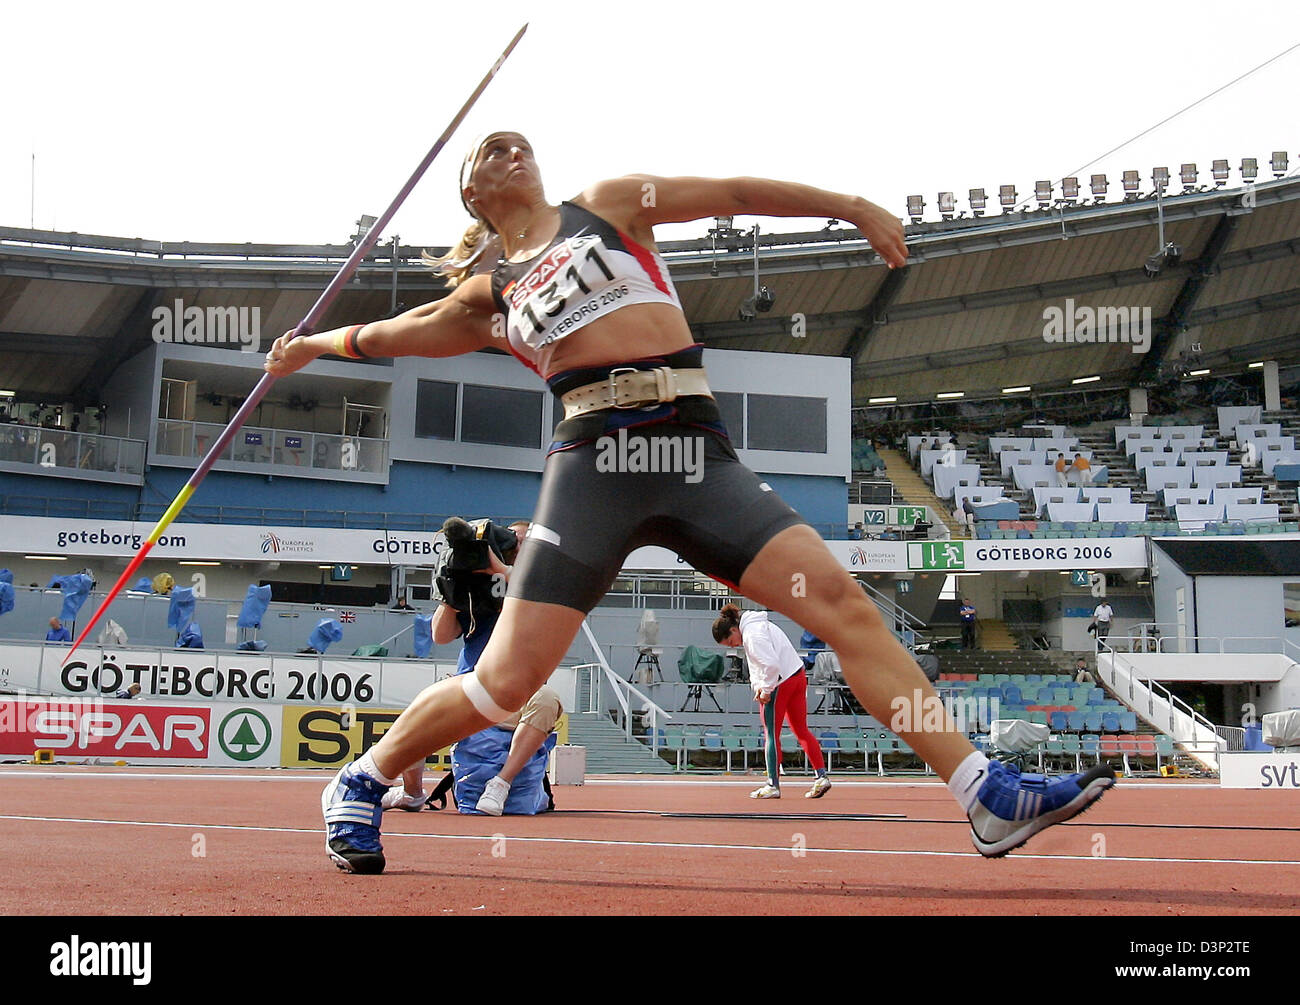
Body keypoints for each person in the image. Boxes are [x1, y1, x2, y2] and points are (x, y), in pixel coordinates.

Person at [271, 131, 1114, 873]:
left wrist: (848, 204)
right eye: (490, 151)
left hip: (693, 447)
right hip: (594, 459)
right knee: (506, 680)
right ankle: (365, 775)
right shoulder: (489, 294)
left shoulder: (604, 207)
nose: (512, 150)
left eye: (519, 142)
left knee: (841, 606)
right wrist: (308, 344)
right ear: (473, 194)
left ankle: (985, 793)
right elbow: (392, 332)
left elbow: (736, 193)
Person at [381, 520, 562, 817]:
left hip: (517, 693)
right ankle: (412, 793)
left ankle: (501, 784)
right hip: (472, 686)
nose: (515, 545)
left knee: (546, 699)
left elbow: (529, 590)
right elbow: (440, 636)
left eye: (522, 541)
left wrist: (500, 570)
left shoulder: (541, 582)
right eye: (512, 539)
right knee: (421, 708)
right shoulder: (476, 588)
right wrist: (452, 592)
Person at [713, 604, 830, 799]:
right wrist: (759, 685)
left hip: (780, 683)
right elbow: (761, 665)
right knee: (801, 730)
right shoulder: (761, 625)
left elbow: (770, 665)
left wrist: (765, 689)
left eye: (731, 642)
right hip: (797, 675)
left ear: (734, 629)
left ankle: (772, 784)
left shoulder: (751, 636)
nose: (734, 645)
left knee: (771, 734)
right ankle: (821, 775)